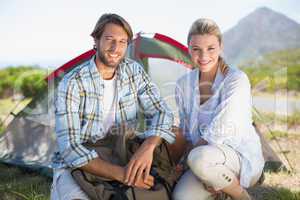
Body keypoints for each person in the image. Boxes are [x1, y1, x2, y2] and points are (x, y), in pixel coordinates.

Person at [50, 13, 175, 200]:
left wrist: (147, 148)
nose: (116, 48)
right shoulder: (72, 83)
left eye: (123, 42)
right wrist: (123, 174)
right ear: (96, 40)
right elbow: (70, 148)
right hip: (83, 162)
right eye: (109, 39)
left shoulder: (133, 71)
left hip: (122, 151)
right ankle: (60, 187)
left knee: (178, 134)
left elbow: (162, 112)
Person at [171, 18, 264, 200]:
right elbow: (187, 132)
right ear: (189, 49)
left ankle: (241, 195)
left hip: (237, 158)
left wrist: (190, 161)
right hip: (201, 159)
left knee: (200, 159)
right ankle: (218, 186)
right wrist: (179, 164)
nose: (203, 56)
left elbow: (220, 130)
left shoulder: (236, 79)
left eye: (210, 48)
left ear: (220, 46)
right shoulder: (183, 84)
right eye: (196, 49)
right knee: (181, 197)